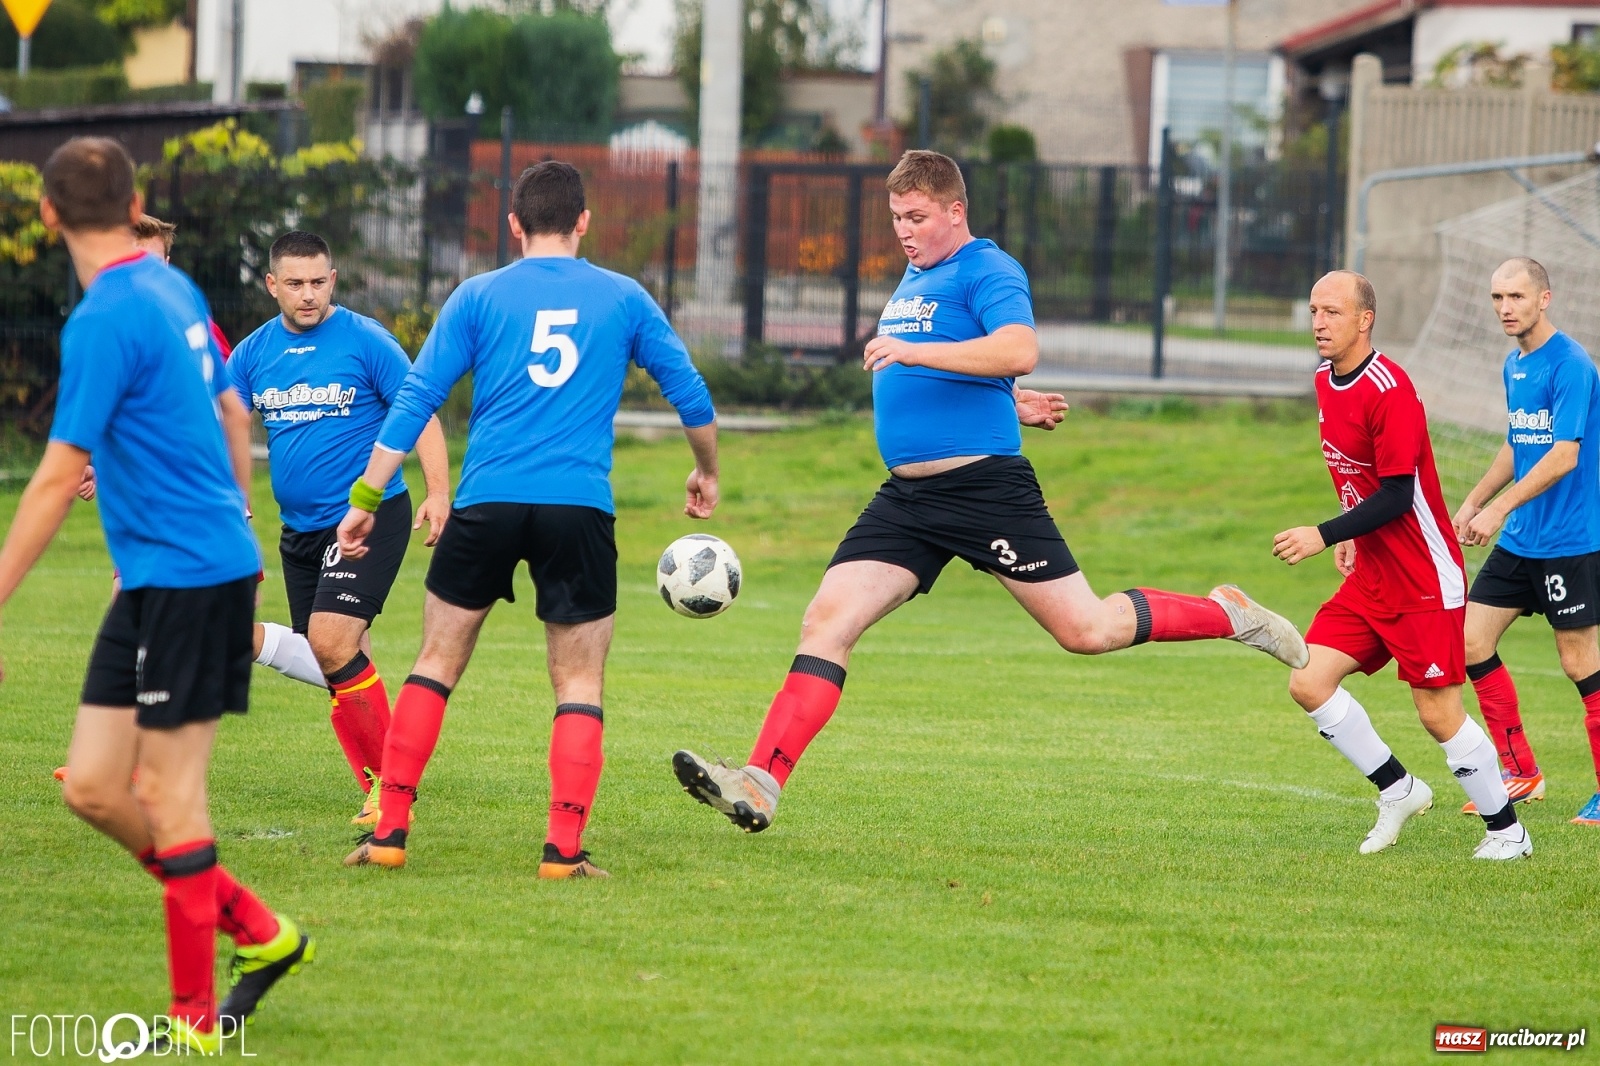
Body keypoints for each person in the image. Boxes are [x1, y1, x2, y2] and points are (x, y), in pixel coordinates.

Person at [670, 150, 1307, 836]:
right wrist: (1010, 401)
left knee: (1086, 631)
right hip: (906, 502)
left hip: (984, 491)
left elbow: (1015, 346)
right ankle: (761, 783)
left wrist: (934, 360)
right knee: (827, 621)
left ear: (955, 211)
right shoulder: (918, 274)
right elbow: (985, 364)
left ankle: (1227, 613)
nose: (905, 232)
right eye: (895, 219)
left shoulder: (990, 269)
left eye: (917, 217)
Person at [0, 137, 312, 1054]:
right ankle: (260, 929)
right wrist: (236, 510)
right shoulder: (170, 291)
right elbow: (231, 411)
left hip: (192, 575)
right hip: (165, 574)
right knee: (96, 787)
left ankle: (192, 1027)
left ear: (49, 215)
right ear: (133, 205)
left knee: (171, 798)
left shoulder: (105, 317)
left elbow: (58, 477)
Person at [338, 161, 718, 878]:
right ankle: (561, 853)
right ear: (583, 222)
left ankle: (389, 835)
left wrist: (366, 501)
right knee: (578, 682)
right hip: (577, 507)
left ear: (513, 225)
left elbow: (416, 398)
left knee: (435, 663)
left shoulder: (478, 296)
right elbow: (691, 395)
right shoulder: (625, 298)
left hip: (486, 500)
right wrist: (708, 471)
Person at [1273, 270, 1528, 859]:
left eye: (1332, 312)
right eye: (1314, 310)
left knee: (1438, 713)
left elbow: (1394, 493)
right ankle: (1400, 789)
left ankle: (1507, 832)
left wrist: (1323, 532)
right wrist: (1350, 532)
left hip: (1422, 575)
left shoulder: (1389, 388)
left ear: (1365, 319)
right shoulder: (1324, 379)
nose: (1318, 323)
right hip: (1373, 575)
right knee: (1308, 680)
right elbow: (1353, 474)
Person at [228, 230, 450, 826]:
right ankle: (382, 781)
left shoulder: (365, 340)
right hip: (299, 532)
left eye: (318, 281)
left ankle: (392, 792)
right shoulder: (251, 355)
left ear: (333, 279)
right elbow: (215, 425)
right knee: (338, 661)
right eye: (295, 283)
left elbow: (419, 412)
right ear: (272, 285)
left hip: (369, 518)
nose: (308, 294)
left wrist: (438, 492)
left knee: (330, 642)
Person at [1454, 257, 1600, 826]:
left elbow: (1564, 455)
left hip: (1569, 540)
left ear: (1545, 298)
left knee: (1578, 662)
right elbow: (1519, 444)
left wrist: (1497, 510)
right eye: (1496, 298)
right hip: (1522, 540)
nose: (1504, 308)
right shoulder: (1514, 363)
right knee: (1469, 641)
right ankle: (1521, 772)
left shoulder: (1572, 365)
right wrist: (1472, 502)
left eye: (1515, 296)